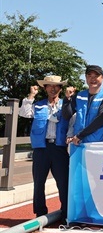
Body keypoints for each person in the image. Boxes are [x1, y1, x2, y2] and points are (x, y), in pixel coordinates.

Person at [18, 75, 69, 223]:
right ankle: (40, 213)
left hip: (59, 148)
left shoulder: (65, 105)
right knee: (39, 182)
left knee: (63, 182)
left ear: (60, 88)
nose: (53, 89)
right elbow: (24, 113)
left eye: (56, 86)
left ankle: (66, 213)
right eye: (49, 86)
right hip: (42, 148)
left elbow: (72, 122)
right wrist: (31, 96)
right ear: (45, 88)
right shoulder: (38, 105)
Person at [63, 65, 103, 149]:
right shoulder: (79, 96)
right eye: (89, 76)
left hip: (98, 145)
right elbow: (66, 115)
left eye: (96, 76)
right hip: (78, 144)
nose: (93, 79)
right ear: (86, 77)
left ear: (102, 78)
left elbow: (100, 120)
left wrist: (80, 135)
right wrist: (67, 99)